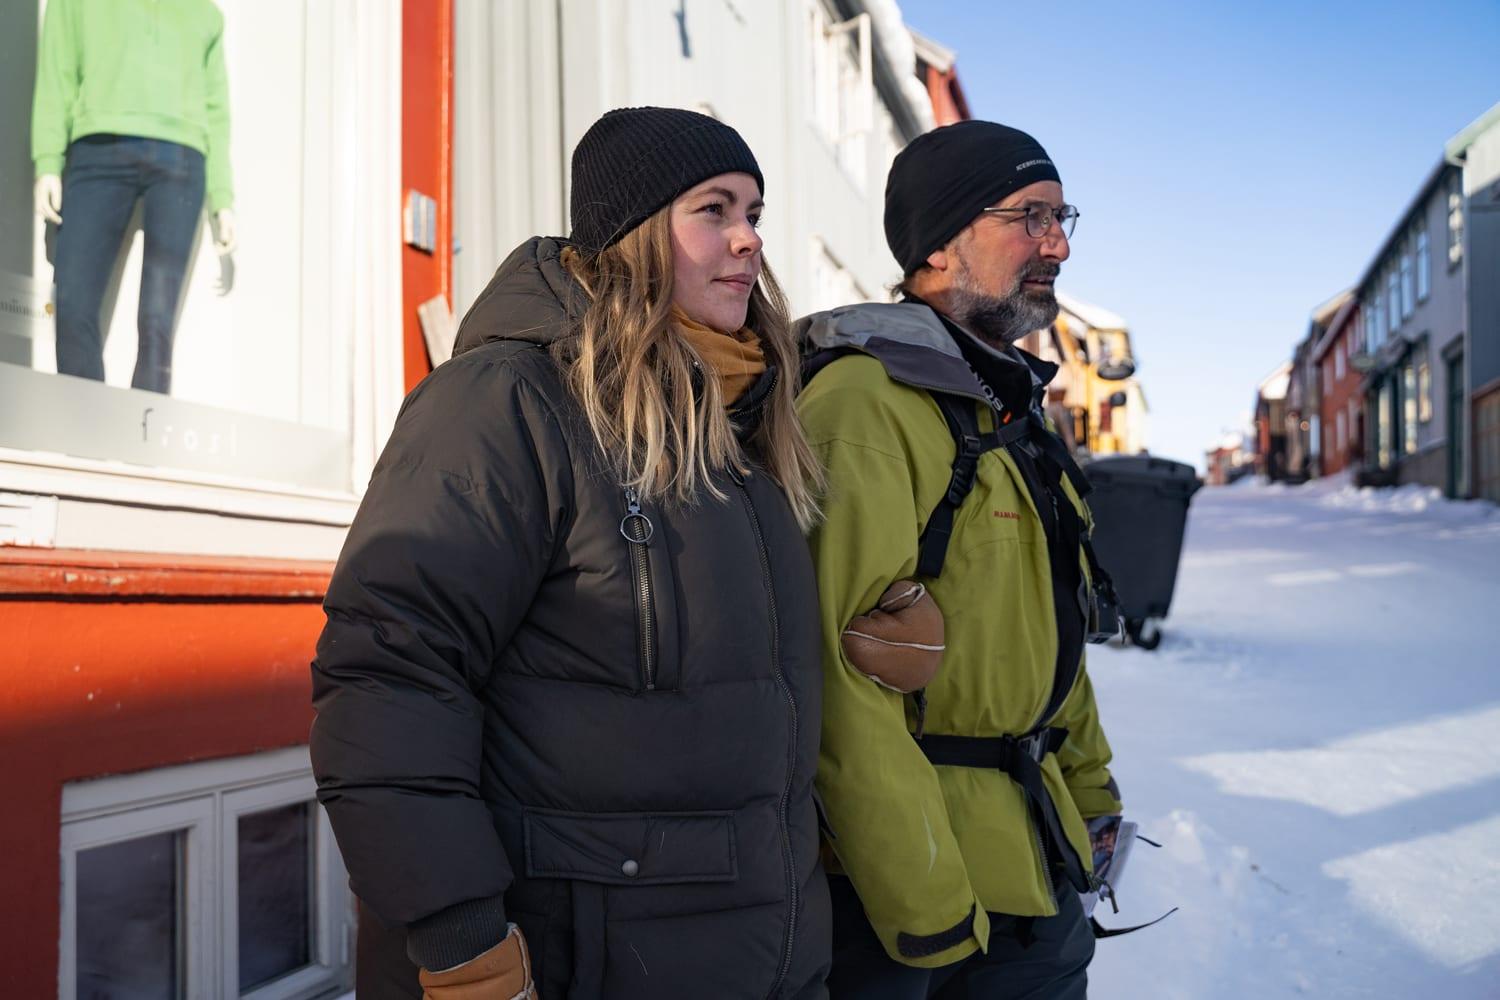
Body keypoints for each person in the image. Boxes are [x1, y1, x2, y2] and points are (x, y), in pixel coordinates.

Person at [311, 107, 830, 1000]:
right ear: (634, 234)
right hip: (577, 954)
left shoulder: (741, 428)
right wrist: (455, 930)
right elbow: (390, 672)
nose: (748, 241)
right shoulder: (508, 400)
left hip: (757, 956)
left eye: (755, 212)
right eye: (714, 210)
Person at [795, 120, 1124, 998]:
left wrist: (1091, 794)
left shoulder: (1014, 412)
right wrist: (924, 903)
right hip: (914, 901)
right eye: (1030, 216)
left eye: (1063, 218)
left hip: (1033, 860)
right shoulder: (865, 406)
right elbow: (839, 682)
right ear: (938, 245)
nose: (1056, 243)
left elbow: (1050, 632)